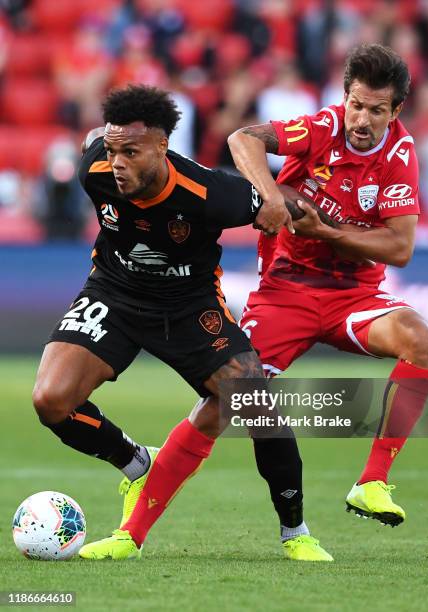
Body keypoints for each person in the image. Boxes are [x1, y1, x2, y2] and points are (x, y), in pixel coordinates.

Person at [32, 84, 332, 562]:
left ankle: (295, 531)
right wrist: (104, 142)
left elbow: (279, 202)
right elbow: (94, 138)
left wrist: (289, 205)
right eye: (112, 151)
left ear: (162, 147)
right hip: (113, 294)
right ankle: (137, 463)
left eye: (130, 152)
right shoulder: (95, 169)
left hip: (190, 307)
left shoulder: (211, 193)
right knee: (50, 400)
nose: (118, 163)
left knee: (255, 403)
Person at [229, 44, 428, 526]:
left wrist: (327, 232)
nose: (362, 119)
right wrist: (272, 199)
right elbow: (242, 139)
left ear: (397, 111)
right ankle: (143, 479)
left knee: (423, 341)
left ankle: (373, 482)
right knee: (228, 397)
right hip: (288, 288)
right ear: (344, 96)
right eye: (357, 105)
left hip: (353, 294)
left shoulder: (401, 154)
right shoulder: (321, 127)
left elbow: (400, 248)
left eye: (377, 110)